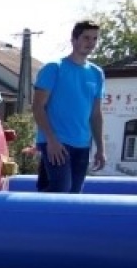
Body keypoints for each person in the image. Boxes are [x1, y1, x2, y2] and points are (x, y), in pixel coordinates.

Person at [32, 20, 106, 193]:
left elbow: (96, 114)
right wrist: (51, 140)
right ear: (74, 39)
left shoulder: (96, 73)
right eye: (86, 38)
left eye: (95, 39)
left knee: (74, 195)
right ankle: (29, 216)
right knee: (60, 190)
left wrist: (101, 149)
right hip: (57, 142)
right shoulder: (54, 68)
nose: (91, 43)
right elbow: (37, 107)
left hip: (82, 144)